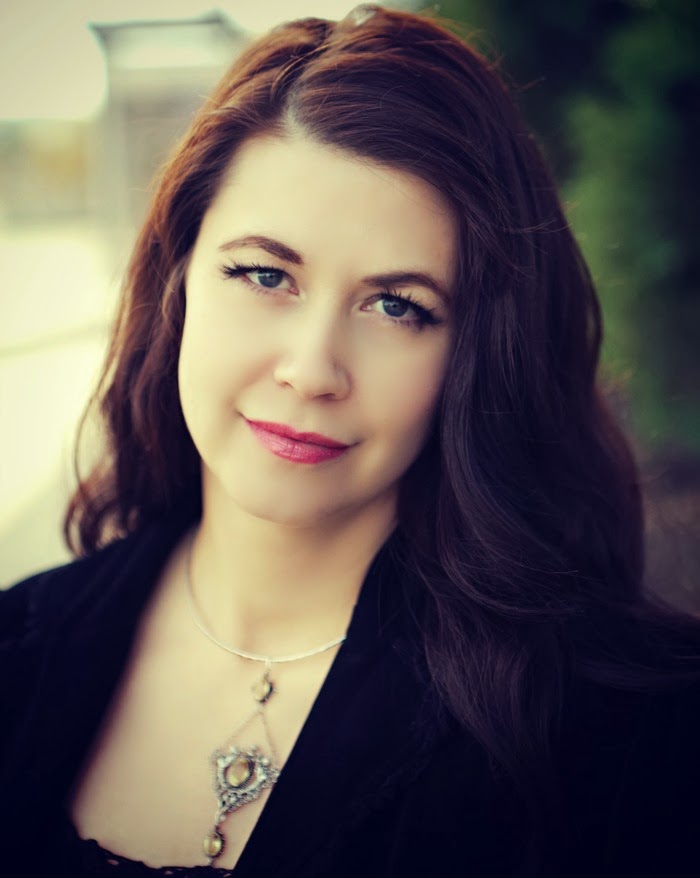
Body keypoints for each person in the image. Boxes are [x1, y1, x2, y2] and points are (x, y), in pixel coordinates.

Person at [1, 5, 698, 876]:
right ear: (176, 283)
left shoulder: (636, 740)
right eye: (266, 274)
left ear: (479, 353)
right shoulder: (17, 651)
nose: (312, 369)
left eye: (397, 306)